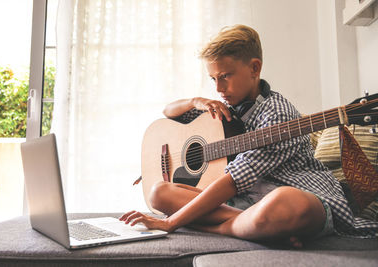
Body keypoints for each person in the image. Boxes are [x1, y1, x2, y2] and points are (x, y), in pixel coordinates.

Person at [119, 25, 378, 247]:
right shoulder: (224, 109)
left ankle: (228, 228)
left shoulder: (278, 113)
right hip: (246, 204)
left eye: (225, 77)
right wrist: (196, 100)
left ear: (255, 68)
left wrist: (171, 222)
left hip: (304, 196)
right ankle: (256, 229)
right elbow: (168, 112)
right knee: (158, 193)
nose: (219, 88)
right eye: (213, 79)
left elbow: (233, 180)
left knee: (286, 202)